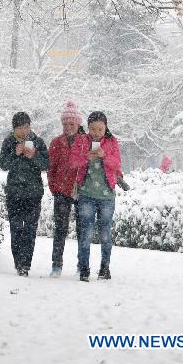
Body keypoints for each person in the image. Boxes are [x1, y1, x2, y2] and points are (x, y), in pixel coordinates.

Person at [69, 110, 121, 282]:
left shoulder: (112, 142)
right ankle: (84, 269)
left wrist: (104, 155)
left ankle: (105, 268)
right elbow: (72, 162)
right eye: (92, 129)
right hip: (86, 195)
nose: (96, 133)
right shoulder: (81, 140)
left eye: (100, 129)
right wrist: (86, 157)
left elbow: (117, 165)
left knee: (106, 233)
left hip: (107, 195)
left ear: (105, 127)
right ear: (88, 128)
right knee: (86, 233)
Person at [0, 111, 49, 276]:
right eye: (20, 128)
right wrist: (16, 152)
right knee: (16, 229)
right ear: (14, 129)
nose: (24, 131)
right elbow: (3, 164)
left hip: (33, 194)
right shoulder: (8, 142)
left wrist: (33, 155)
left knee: (30, 230)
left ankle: (25, 265)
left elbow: (46, 164)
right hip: (14, 193)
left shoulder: (38, 142)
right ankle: (18, 263)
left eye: (26, 127)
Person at [47, 100, 85, 277]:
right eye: (66, 124)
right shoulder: (56, 142)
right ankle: (56, 265)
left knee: (81, 230)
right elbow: (51, 167)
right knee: (60, 229)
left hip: (80, 191)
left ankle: (81, 265)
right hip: (61, 191)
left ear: (78, 124)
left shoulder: (85, 142)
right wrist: (54, 187)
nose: (69, 127)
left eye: (72, 124)